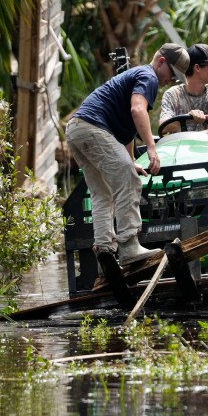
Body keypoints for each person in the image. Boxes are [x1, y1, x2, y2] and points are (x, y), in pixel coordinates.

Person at [65, 43, 192, 264]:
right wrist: (152, 148)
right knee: (130, 181)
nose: (171, 81)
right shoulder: (148, 76)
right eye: (172, 74)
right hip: (92, 127)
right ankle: (129, 246)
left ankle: (104, 248)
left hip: (77, 129)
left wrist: (131, 161)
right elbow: (137, 110)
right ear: (161, 62)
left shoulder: (137, 77)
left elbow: (126, 134)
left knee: (102, 193)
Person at [159, 43, 208, 140]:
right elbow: (163, 125)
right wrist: (190, 117)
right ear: (197, 68)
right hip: (179, 150)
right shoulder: (172, 94)